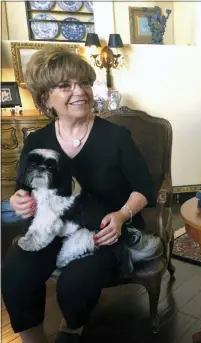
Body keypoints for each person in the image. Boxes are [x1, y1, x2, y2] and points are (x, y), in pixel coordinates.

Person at [1, 47, 158, 343]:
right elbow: (23, 188)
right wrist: (17, 200)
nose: (80, 92)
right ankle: (32, 338)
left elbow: (143, 189)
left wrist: (122, 216)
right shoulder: (37, 140)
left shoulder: (115, 137)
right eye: (65, 85)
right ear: (46, 97)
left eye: (84, 83)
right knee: (16, 272)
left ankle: (71, 328)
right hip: (49, 228)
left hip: (103, 231)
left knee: (75, 283)